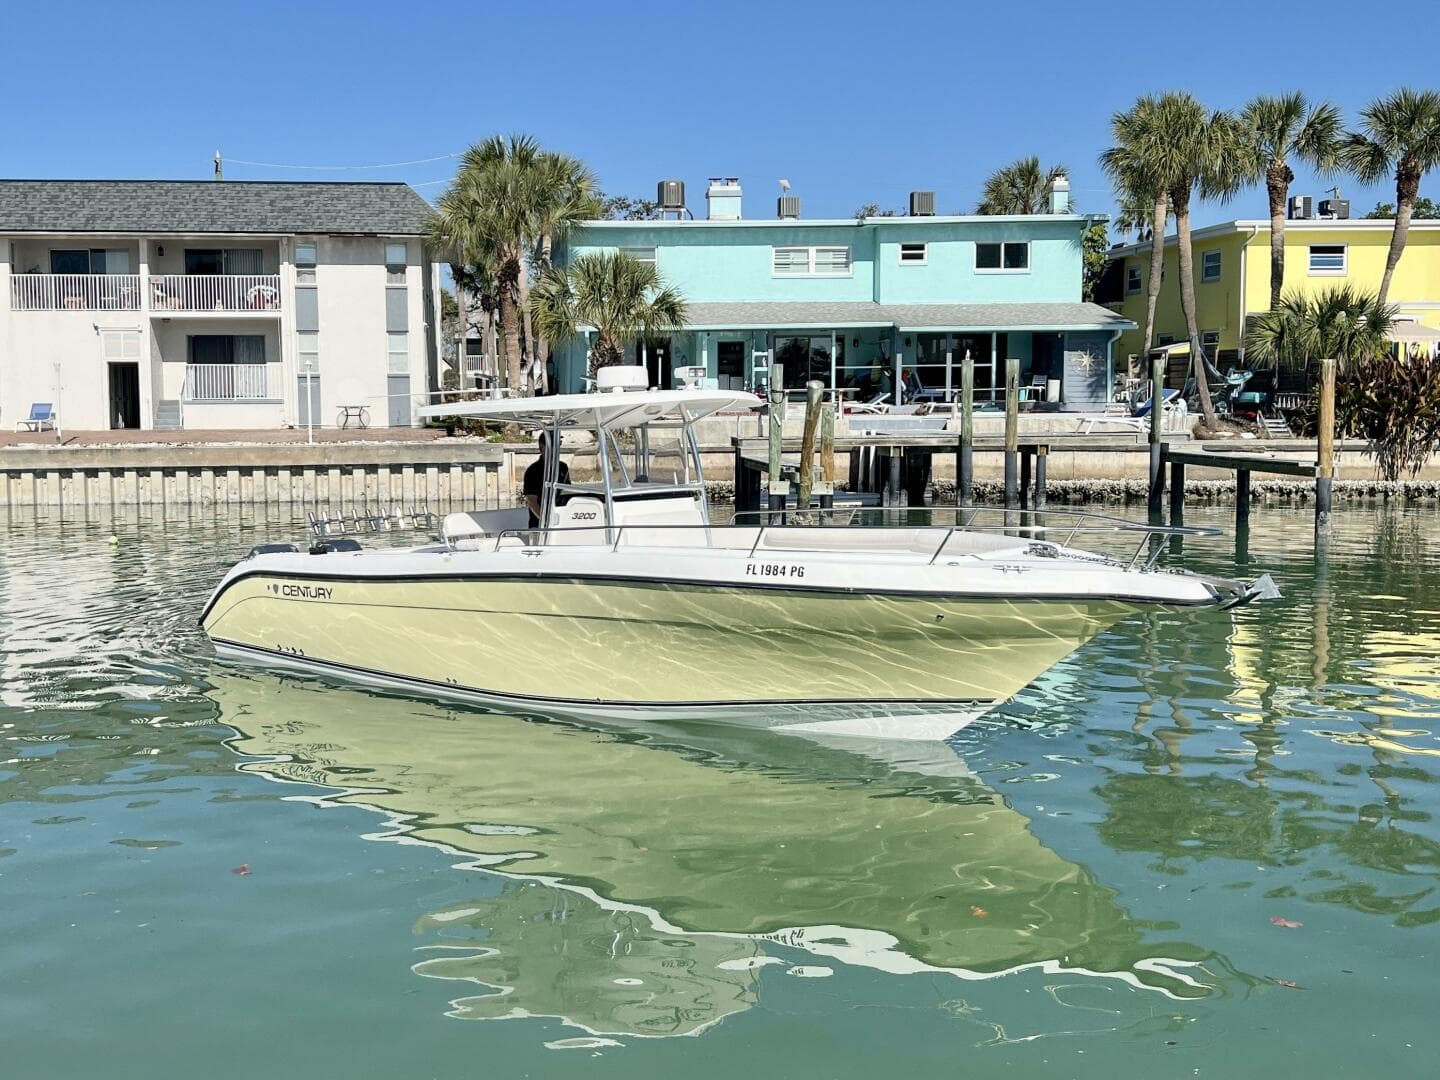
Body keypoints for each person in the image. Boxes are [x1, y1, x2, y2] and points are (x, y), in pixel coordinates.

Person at [523, 432, 570, 528]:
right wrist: (547, 522)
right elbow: (531, 501)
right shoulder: (532, 471)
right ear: (542, 446)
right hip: (539, 526)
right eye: (553, 444)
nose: (557, 448)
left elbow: (567, 494)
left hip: (562, 522)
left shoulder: (563, 468)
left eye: (558, 444)